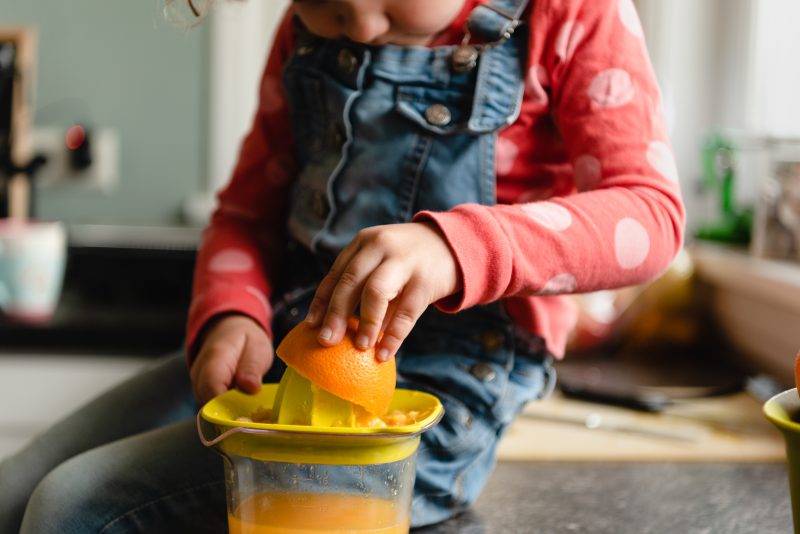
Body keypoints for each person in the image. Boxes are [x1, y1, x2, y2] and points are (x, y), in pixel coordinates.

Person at [0, 0, 685, 531]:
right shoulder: (302, 36)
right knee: (14, 492)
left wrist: (460, 247)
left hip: (438, 391)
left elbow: (651, 218)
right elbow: (247, 215)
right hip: (286, 349)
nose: (354, 25)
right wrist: (230, 314)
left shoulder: (571, 15)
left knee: (77, 509)